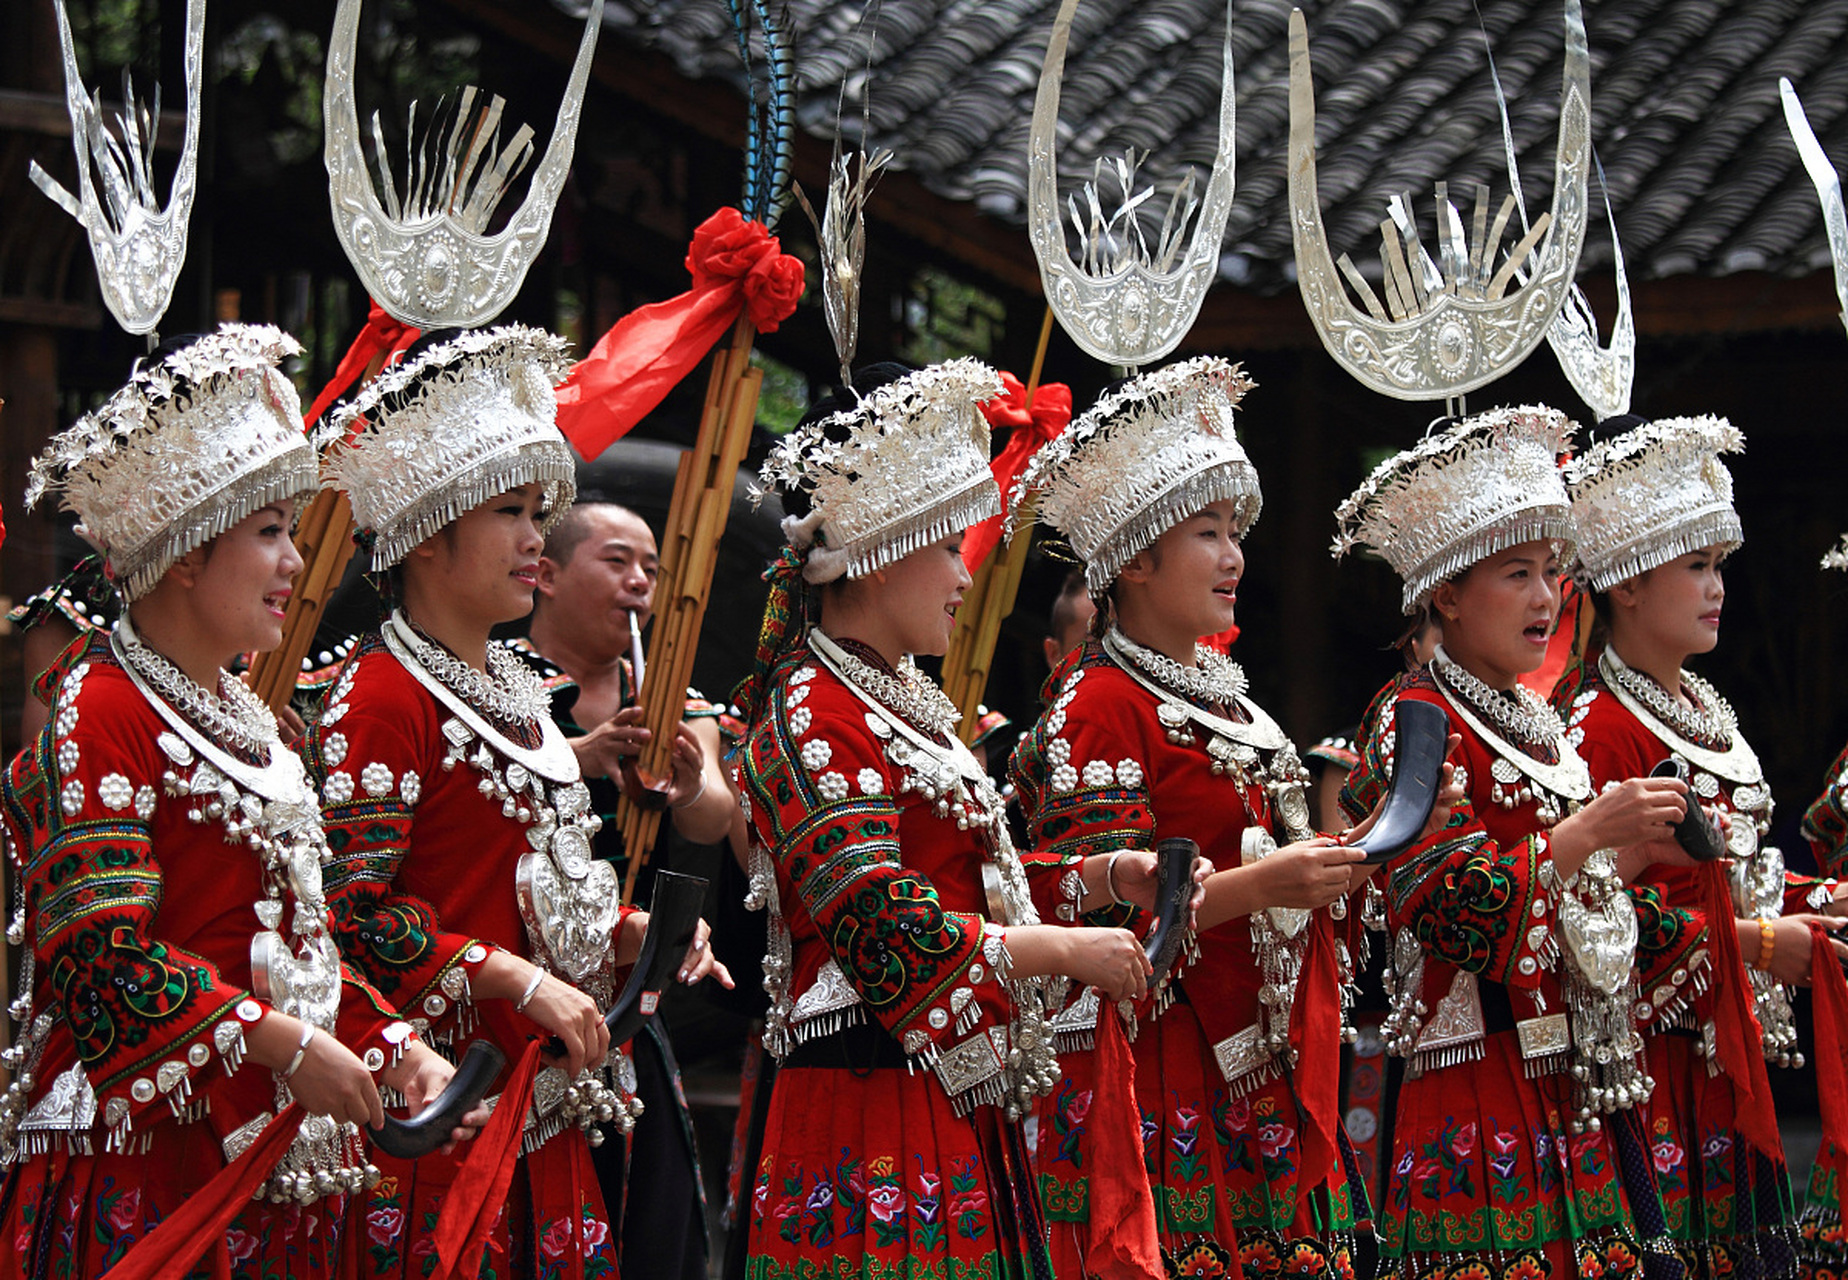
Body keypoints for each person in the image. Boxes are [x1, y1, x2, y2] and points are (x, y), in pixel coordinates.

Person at [0, 326, 480, 1276]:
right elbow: (100, 960)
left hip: (269, 1149)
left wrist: (390, 1044)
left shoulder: (247, 717)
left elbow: (301, 937)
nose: (296, 567)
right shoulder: (98, 706)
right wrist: (290, 1047)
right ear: (187, 549)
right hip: (143, 1165)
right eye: (269, 534)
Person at [735, 358, 1168, 1280]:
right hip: (867, 1098)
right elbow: (884, 926)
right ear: (882, 546)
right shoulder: (812, 708)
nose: (963, 579)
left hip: (949, 1089)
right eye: (946, 550)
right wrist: (1060, 951)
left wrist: (1098, 879)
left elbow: (972, 883)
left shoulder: (900, 701)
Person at [310, 325, 725, 1278]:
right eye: (510, 511)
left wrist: (622, 931)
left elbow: (536, 878)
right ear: (426, 531)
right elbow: (343, 923)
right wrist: (511, 977)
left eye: (539, 511)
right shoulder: (380, 696)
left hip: (552, 1100)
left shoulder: (517, 688)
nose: (536, 538)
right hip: (446, 1104)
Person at [1010, 357, 1381, 1276]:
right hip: (1160, 1066)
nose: (1234, 558)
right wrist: (1269, 884)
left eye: (1235, 533)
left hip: (1260, 1052)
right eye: (1208, 533)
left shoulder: (1234, 699)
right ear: (1135, 559)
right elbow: (1077, 911)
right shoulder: (1098, 703)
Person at [1333, 405, 1698, 1279]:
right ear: (1447, 595)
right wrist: (1585, 840)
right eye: (1516, 574)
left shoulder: (1538, 724)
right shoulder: (1416, 720)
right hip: (1479, 1083)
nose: (1546, 598)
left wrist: (1672, 901)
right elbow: (1446, 903)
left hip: (1580, 1075)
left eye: (1552, 572)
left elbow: (1584, 899)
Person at [1554, 416, 1846, 1278]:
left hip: (1725, 1059)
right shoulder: (1598, 728)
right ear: (1628, 585)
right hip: (1648, 1076)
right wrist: (1760, 945)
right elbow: (1590, 913)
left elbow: (1738, 873)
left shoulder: (1707, 710)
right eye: (1695, 566)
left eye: (1718, 565)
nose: (1717, 588)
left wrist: (1815, 905)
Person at [525, 498, 733, 1280]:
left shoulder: (674, 696)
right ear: (544, 575)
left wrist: (683, 784)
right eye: (617, 561)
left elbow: (714, 816)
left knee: (649, 1230)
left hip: (629, 999)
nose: (640, 582)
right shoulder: (504, 687)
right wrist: (573, 755)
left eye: (650, 566)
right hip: (520, 995)